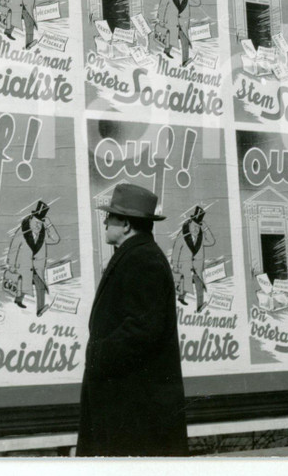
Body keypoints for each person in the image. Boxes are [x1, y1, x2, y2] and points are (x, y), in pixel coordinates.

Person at [77, 183, 188, 457]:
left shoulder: (142, 259)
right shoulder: (137, 255)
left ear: (126, 225)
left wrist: (97, 354)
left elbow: (142, 329)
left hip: (135, 409)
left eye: (111, 217)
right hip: (129, 405)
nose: (105, 222)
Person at [4, 200, 60, 317]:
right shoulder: (22, 232)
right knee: (22, 284)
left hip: (37, 268)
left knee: (40, 286)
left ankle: (40, 309)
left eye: (41, 223)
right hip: (23, 265)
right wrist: (11, 265)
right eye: (36, 222)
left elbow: (55, 239)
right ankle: (18, 299)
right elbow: (14, 248)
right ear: (31, 220)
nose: (38, 226)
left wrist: (49, 225)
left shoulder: (43, 236)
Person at [169, 205, 215, 312]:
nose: (196, 229)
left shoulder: (201, 237)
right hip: (184, 266)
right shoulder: (182, 235)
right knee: (184, 283)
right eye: (195, 225)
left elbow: (212, 242)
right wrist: (175, 265)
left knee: (199, 286)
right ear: (190, 224)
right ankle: (180, 298)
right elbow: (176, 249)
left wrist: (206, 228)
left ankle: (199, 306)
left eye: (198, 227)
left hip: (196, 268)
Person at [155, 0, 201, 66]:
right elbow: (162, 6)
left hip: (182, 24)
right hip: (170, 22)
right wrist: (161, 21)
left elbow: (197, 3)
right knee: (171, 38)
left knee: (184, 41)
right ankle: (167, 51)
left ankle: (184, 61)